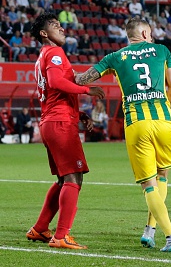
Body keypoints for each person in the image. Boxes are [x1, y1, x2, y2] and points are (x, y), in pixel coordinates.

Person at [74, 17, 171, 252]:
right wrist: (165, 109)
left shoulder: (114, 57)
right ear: (144, 34)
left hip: (137, 123)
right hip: (164, 120)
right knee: (162, 175)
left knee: (148, 185)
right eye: (150, 33)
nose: (152, 37)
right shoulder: (162, 50)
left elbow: (81, 79)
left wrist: (64, 73)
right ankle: (149, 231)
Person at [26, 13, 104, 249]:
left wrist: (79, 114)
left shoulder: (43, 56)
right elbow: (57, 83)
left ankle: (40, 229)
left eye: (60, 25)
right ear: (43, 33)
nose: (61, 28)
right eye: (54, 26)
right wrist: (86, 91)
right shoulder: (54, 53)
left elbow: (53, 93)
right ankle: (61, 236)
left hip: (53, 120)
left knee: (63, 179)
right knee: (73, 178)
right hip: (59, 123)